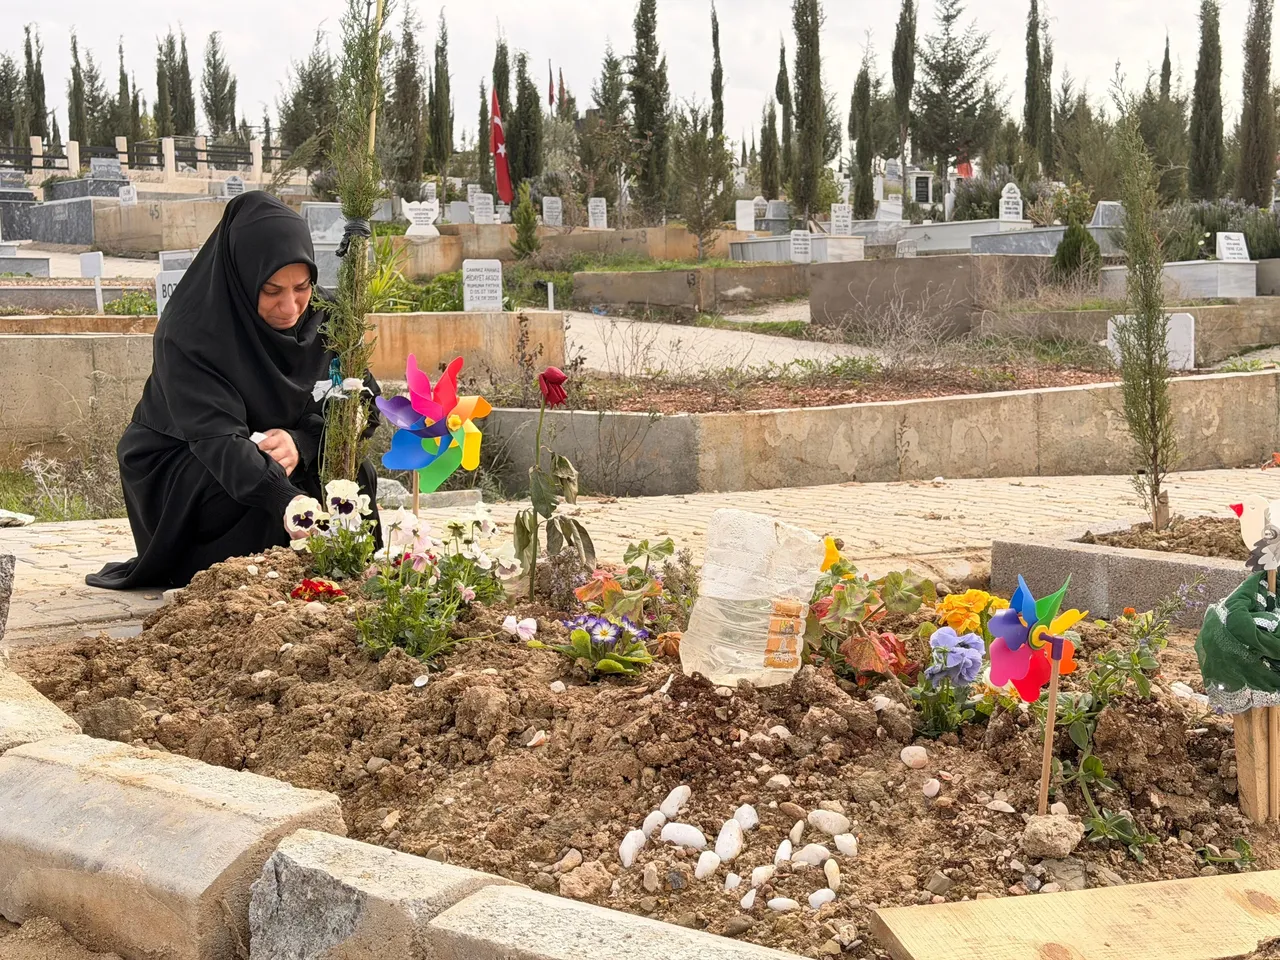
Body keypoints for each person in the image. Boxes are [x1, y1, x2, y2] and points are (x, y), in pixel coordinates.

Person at [87, 192, 381, 590]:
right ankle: (246, 584)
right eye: (271, 290)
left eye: (301, 286)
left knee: (351, 473)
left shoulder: (328, 318)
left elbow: (363, 399)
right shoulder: (190, 333)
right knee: (245, 490)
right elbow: (216, 438)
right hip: (190, 460)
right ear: (242, 278)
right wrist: (285, 497)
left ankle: (344, 568)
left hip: (276, 454)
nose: (291, 307)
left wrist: (303, 441)